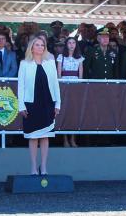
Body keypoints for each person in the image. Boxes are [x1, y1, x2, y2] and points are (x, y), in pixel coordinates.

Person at [18, 35, 61, 175]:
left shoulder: (50, 62)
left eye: (42, 45)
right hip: (31, 103)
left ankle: (43, 167)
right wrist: (21, 106)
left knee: (45, 136)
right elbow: (21, 86)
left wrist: (58, 104)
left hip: (48, 102)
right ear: (31, 47)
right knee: (33, 136)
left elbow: (55, 83)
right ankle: (33, 168)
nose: (40, 47)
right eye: (37, 45)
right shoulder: (24, 63)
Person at [56, 36, 82, 148]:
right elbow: (59, 74)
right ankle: (65, 139)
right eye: (69, 43)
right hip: (64, 86)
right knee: (64, 112)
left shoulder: (80, 57)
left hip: (75, 86)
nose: (71, 45)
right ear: (66, 45)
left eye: (73, 43)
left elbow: (80, 75)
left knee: (74, 113)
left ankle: (73, 139)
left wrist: (78, 88)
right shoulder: (61, 57)